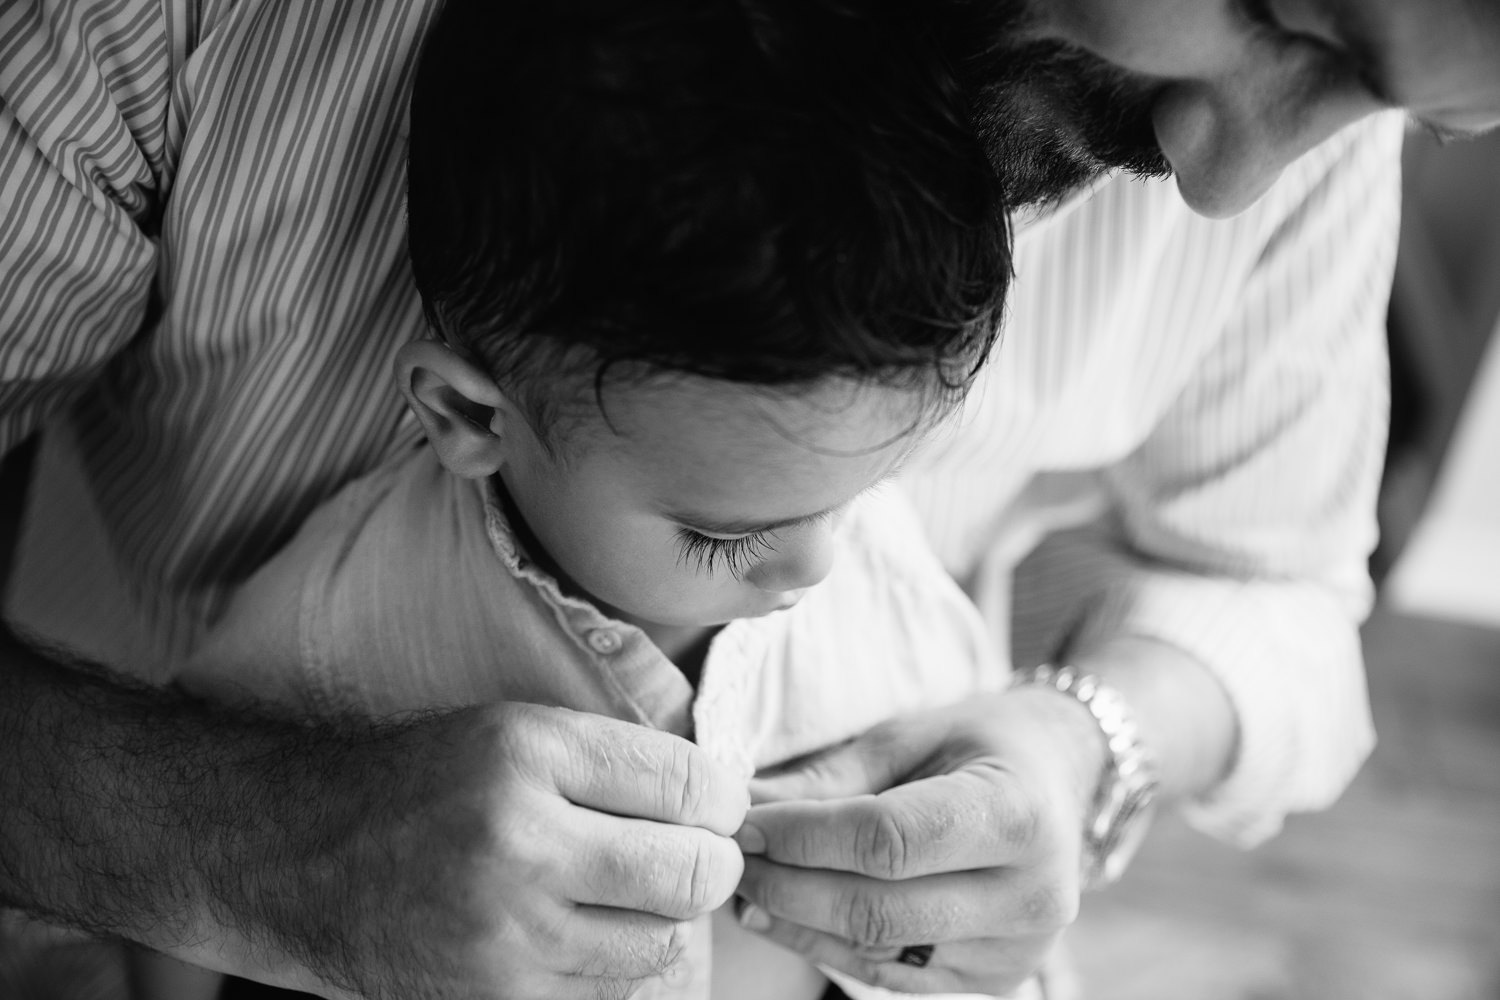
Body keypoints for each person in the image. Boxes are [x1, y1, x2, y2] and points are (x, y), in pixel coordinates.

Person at [2, 0, 1497, 997]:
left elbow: (1279, 594)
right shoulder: (180, 32)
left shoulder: (880, 577)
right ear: (463, 413)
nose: (1237, 180)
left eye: (1414, 116)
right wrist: (240, 847)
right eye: (1287, 15)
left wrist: (1073, 749)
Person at [125, 2, 1015, 997]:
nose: (816, 566)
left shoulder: (891, 588)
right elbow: (201, 888)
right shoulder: (346, 610)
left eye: (859, 493)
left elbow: (978, 880)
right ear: (469, 418)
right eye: (724, 532)